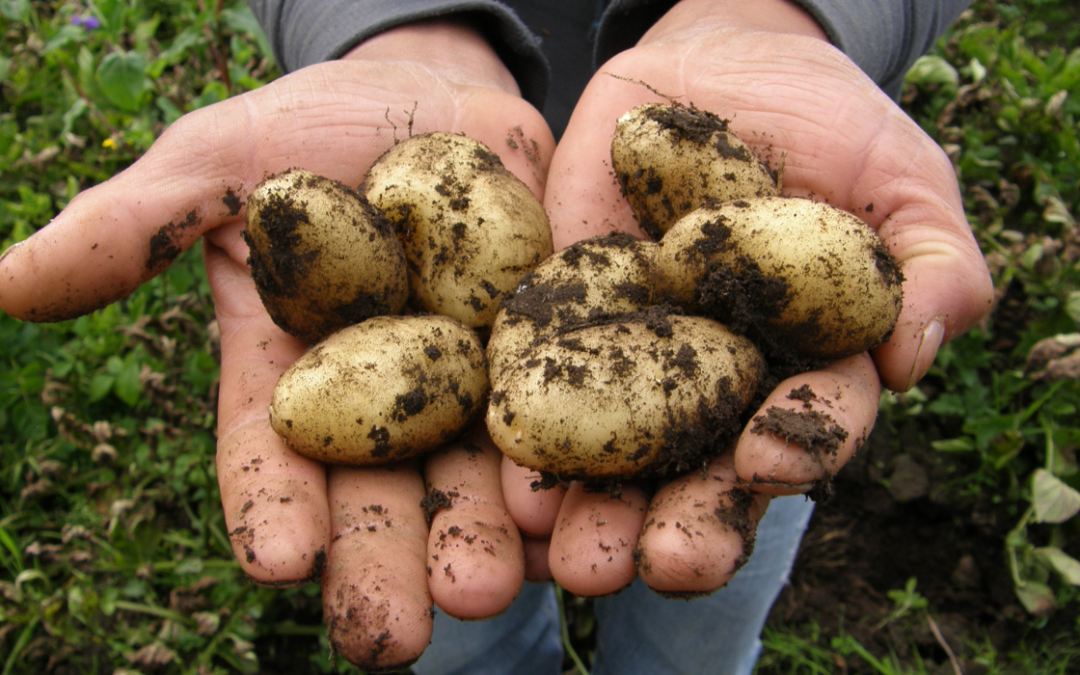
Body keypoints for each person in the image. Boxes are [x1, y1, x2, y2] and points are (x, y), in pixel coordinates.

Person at [0, 0, 993, 672]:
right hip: (470, 167)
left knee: (707, 585)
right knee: (457, 604)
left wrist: (781, 11)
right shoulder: (481, 299)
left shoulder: (678, 271)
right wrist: (393, 25)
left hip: (719, 291)